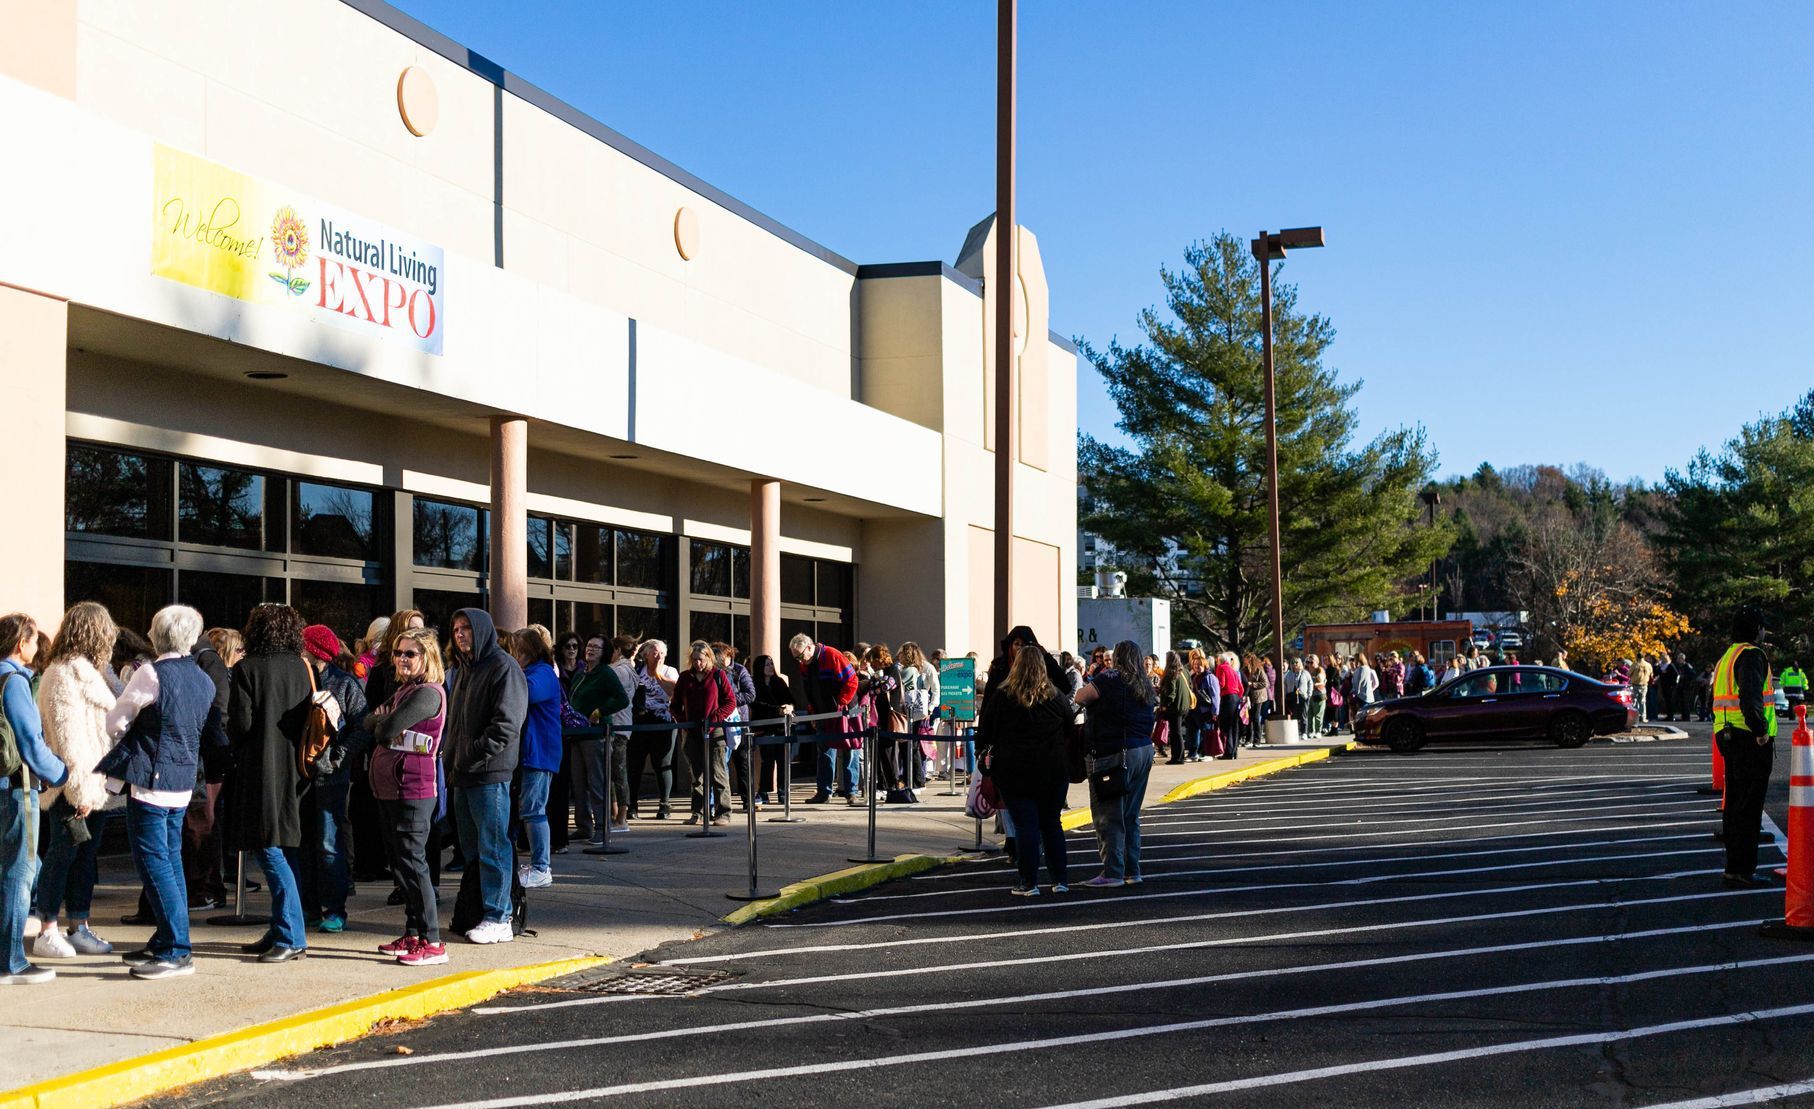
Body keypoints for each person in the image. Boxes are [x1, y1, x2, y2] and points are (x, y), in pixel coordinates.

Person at [98, 605, 215, 980]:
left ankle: (176, 948)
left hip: (151, 778)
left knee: (154, 863)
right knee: (170, 861)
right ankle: (169, 941)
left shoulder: (150, 673)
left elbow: (116, 722)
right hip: (182, 780)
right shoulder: (203, 678)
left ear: (156, 635)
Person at [224, 604, 314, 965]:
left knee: (269, 848)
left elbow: (240, 725)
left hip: (261, 767)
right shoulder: (301, 667)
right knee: (286, 848)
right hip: (295, 768)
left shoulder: (247, 668)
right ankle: (280, 928)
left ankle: (292, 935)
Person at [31, 602, 121, 960]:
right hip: (74, 784)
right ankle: (47, 929)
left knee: (84, 858)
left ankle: (79, 925)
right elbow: (67, 737)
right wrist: (81, 787)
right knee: (61, 855)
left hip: (95, 782)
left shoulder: (91, 673)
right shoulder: (62, 674)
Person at [365, 626, 449, 966]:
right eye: (398, 653)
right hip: (390, 787)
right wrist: (380, 723)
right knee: (401, 866)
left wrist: (382, 725)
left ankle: (433, 941)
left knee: (414, 864)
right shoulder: (404, 691)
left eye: (409, 654)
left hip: (413, 788)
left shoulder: (427, 694)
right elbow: (367, 720)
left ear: (426, 658)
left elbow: (383, 728)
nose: (401, 659)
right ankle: (413, 933)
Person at [445, 609, 528, 944]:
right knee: (472, 850)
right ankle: (484, 911)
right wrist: (453, 759)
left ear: (481, 630)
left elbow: (507, 724)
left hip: (489, 774)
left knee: (494, 848)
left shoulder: (503, 667)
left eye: (466, 628)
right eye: (455, 629)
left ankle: (500, 916)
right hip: (462, 775)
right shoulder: (464, 669)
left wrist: (472, 753)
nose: (460, 634)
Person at [1, 614, 69, 985]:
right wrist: (61, 773)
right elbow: (30, 742)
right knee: (19, 872)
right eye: (31, 639)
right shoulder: (14, 681)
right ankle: (11, 961)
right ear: (19, 643)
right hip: (14, 788)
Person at [980, 644, 1072, 896]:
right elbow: (1070, 730)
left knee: (1025, 826)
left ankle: (1028, 882)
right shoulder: (1055, 696)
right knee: (1052, 823)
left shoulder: (1003, 696)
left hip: (1014, 769)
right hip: (1053, 769)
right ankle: (1060, 880)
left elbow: (986, 732)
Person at [295, 625, 366, 933]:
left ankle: (334, 909)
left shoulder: (345, 683)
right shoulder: (298, 679)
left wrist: (337, 758)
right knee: (304, 843)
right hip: (303, 775)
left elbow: (362, 727)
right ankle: (309, 906)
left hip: (329, 776)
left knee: (328, 842)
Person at [1074, 640, 1156, 887]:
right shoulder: (1144, 683)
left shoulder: (1110, 678)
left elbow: (1080, 696)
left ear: (1117, 658)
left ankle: (1112, 872)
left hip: (1114, 752)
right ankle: (1132, 870)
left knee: (1108, 814)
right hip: (1143, 749)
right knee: (1130, 814)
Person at [1709, 609, 1777, 891]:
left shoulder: (1727, 656)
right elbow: (1751, 697)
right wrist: (1761, 732)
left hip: (1726, 734)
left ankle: (1734, 867)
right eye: (1763, 629)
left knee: (1735, 805)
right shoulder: (1751, 655)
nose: (1764, 634)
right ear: (1757, 629)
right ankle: (1743, 870)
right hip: (1748, 737)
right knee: (1749, 808)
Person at [508, 629, 561, 888]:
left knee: (534, 810)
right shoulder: (534, 673)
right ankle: (537, 865)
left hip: (537, 754)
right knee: (528, 810)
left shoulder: (542, 673)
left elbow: (526, 693)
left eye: (514, 650)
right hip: (528, 754)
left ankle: (542, 867)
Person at [567, 633, 629, 842]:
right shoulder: (581, 672)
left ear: (605, 653)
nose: (590, 649)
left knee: (597, 782)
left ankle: (602, 827)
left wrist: (600, 711)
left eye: (596, 647)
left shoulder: (606, 673)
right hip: (577, 734)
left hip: (597, 735)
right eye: (589, 645)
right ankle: (584, 826)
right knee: (578, 783)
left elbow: (622, 699)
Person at [789, 634, 861, 804]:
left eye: (800, 656)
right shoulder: (805, 665)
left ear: (809, 647)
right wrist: (813, 712)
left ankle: (851, 792)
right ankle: (824, 792)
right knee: (825, 752)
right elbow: (809, 690)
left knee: (850, 750)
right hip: (823, 712)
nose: (800, 661)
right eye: (796, 658)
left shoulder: (833, 655)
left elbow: (852, 681)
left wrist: (841, 705)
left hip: (845, 711)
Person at [671, 641, 737, 825]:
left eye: (700, 659)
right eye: (694, 660)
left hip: (714, 730)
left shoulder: (718, 675)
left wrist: (716, 718)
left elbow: (730, 701)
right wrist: (683, 722)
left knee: (718, 773)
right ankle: (698, 811)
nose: (697, 663)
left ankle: (723, 812)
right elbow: (675, 704)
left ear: (708, 658)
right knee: (697, 775)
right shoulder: (685, 677)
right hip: (692, 731)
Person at [626, 639, 678, 820]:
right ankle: (631, 805)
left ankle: (664, 804)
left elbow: (674, 692)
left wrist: (657, 674)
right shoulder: (637, 670)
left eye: (662, 653)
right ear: (646, 654)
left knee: (662, 764)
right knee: (634, 765)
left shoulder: (669, 671)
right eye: (655, 652)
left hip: (663, 722)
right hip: (640, 721)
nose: (659, 656)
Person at [747, 654, 800, 804]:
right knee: (767, 760)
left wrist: (789, 707)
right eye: (767, 664)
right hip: (764, 726)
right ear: (760, 667)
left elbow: (791, 700)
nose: (770, 667)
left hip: (782, 727)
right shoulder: (754, 683)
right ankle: (763, 792)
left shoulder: (779, 681)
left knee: (783, 761)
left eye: (771, 664)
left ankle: (783, 792)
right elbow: (756, 704)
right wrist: (776, 710)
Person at [1158, 651, 1192, 764]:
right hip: (1184, 706)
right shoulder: (1184, 672)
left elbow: (1171, 694)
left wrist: (1164, 706)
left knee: (1175, 733)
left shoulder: (1171, 673)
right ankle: (1180, 756)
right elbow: (1190, 686)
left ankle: (1177, 757)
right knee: (1177, 733)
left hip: (1175, 708)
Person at [1214, 652, 1245, 759]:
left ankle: (1228, 752)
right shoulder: (1232, 669)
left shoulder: (1220, 668)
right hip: (1236, 697)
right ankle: (1234, 752)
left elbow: (1221, 683)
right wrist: (1238, 698)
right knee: (1234, 726)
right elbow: (1241, 688)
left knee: (1225, 726)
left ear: (1220, 660)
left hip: (1227, 697)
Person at [1631, 654, 1654, 723]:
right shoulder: (1648, 665)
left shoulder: (1635, 664)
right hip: (1644, 685)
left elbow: (1628, 674)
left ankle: (1635, 717)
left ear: (1637, 657)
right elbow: (1651, 675)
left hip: (1635, 685)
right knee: (1642, 701)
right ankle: (1643, 717)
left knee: (1634, 701)